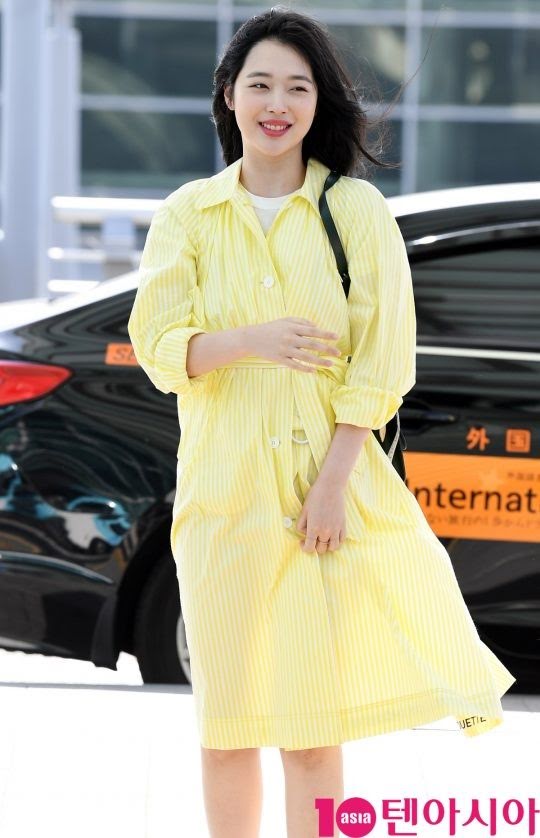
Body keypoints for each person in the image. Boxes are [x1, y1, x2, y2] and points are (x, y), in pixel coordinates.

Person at [127, 7, 516, 837]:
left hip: (321, 497)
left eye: (297, 88)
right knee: (227, 729)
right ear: (229, 95)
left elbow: (383, 365)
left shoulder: (357, 212)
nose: (278, 104)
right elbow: (157, 349)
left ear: (318, 102)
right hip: (222, 499)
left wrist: (333, 485)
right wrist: (249, 341)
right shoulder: (189, 215)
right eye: (261, 84)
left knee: (310, 731)